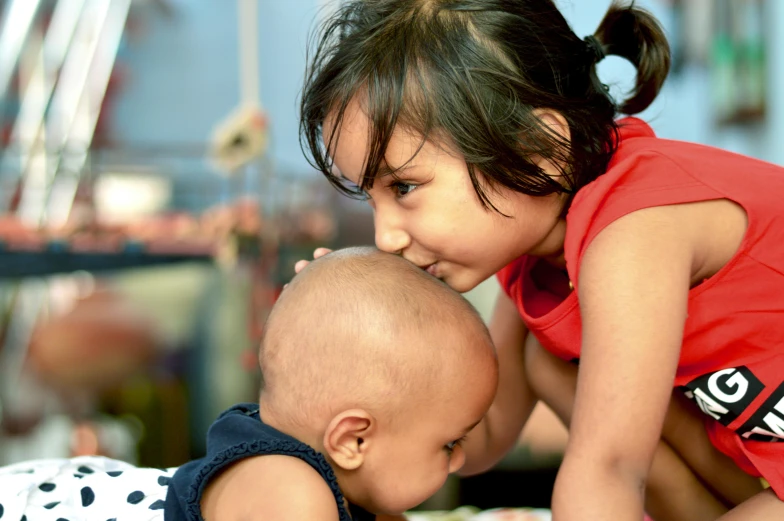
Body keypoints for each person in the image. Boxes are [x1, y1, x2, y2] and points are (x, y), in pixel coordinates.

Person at [297, 1, 784, 519]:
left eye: (405, 186)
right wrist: (347, 348)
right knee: (548, 362)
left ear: (537, 149)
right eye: (370, 198)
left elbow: (609, 468)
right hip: (757, 479)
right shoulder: (532, 256)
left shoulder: (636, 228)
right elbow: (478, 436)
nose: (385, 236)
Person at [0, 247, 498, 521]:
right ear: (352, 439)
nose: (458, 460)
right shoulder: (291, 492)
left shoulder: (330, 483)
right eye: (449, 443)